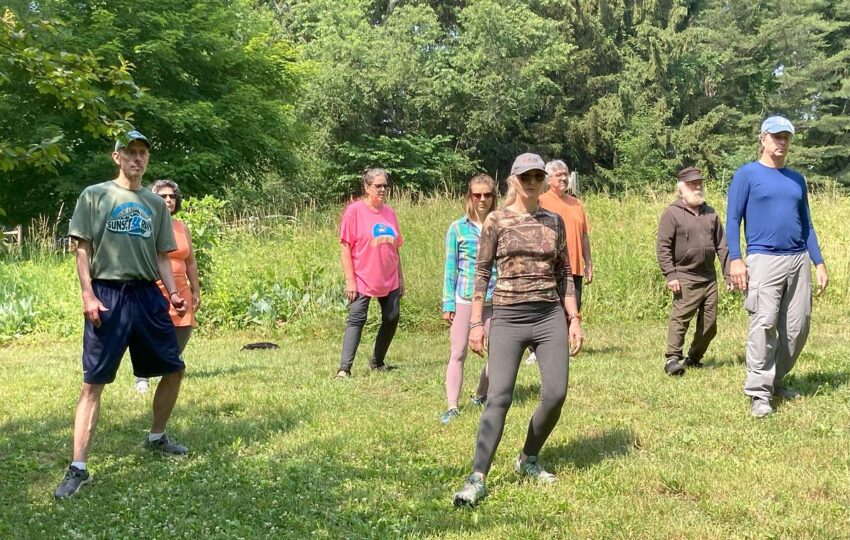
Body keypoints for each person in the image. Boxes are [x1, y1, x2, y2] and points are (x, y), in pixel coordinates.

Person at [54, 130, 189, 499]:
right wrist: (88, 294)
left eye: (143, 152)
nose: (137, 158)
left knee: (174, 368)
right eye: (130, 152)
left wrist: (174, 294)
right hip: (107, 294)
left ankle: (157, 436)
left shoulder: (156, 204)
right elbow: (82, 249)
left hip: (147, 295)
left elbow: (163, 256)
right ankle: (78, 467)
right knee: (93, 383)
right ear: (117, 157)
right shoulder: (95, 196)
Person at [452, 153, 583, 507]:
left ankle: (528, 457)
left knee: (555, 394)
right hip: (508, 317)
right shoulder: (496, 220)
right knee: (499, 397)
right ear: (514, 180)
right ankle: (477, 477)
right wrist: (477, 323)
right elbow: (481, 273)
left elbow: (564, 275)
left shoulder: (554, 222)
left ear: (544, 182)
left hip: (548, 317)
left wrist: (573, 318)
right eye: (525, 176)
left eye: (538, 176)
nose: (531, 182)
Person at [727, 116, 828, 418]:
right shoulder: (747, 175)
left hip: (798, 260)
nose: (781, 142)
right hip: (763, 259)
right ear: (763, 139)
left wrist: (818, 262)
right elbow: (733, 220)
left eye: (786, 137)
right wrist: (735, 258)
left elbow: (806, 224)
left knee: (798, 327)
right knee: (764, 324)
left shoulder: (797, 179)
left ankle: (774, 380)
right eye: (776, 136)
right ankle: (759, 393)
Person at [656, 166, 729, 376]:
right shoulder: (672, 213)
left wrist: (728, 273)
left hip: (708, 277)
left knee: (710, 324)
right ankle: (672, 359)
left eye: (699, 183)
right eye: (692, 184)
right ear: (681, 188)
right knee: (680, 319)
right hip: (684, 276)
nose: (697, 187)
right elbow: (663, 246)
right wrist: (670, 274)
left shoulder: (711, 213)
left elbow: (722, 246)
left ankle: (694, 358)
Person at [440, 175, 498, 424]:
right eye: (477, 195)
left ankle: (481, 394)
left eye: (487, 195)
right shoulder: (457, 228)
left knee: (497, 353)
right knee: (458, 352)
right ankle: (452, 406)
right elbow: (450, 267)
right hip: (464, 298)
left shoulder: (500, 224)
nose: (482, 199)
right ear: (469, 197)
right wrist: (448, 302)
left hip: (495, 298)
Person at [335, 168, 404, 378]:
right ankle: (344, 369)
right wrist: (350, 280)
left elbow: (396, 248)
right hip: (362, 277)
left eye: (385, 185)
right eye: (378, 186)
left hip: (389, 277)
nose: (382, 189)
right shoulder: (354, 211)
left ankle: (377, 361)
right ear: (367, 188)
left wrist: (401, 277)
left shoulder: (390, 213)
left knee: (392, 317)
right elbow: (345, 246)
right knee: (357, 319)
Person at [134, 180, 201, 393]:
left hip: (180, 287)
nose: (168, 200)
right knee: (147, 332)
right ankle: (142, 376)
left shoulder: (182, 228)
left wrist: (195, 289)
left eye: (171, 196)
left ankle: (168, 368)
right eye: (163, 196)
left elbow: (190, 260)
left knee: (184, 327)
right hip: (153, 286)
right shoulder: (146, 224)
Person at [538, 159, 593, 310]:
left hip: (574, 268)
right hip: (550, 269)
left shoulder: (577, 203)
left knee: (574, 312)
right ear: (549, 180)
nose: (563, 178)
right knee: (553, 314)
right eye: (558, 175)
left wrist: (588, 263)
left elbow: (584, 236)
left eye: (565, 174)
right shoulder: (540, 202)